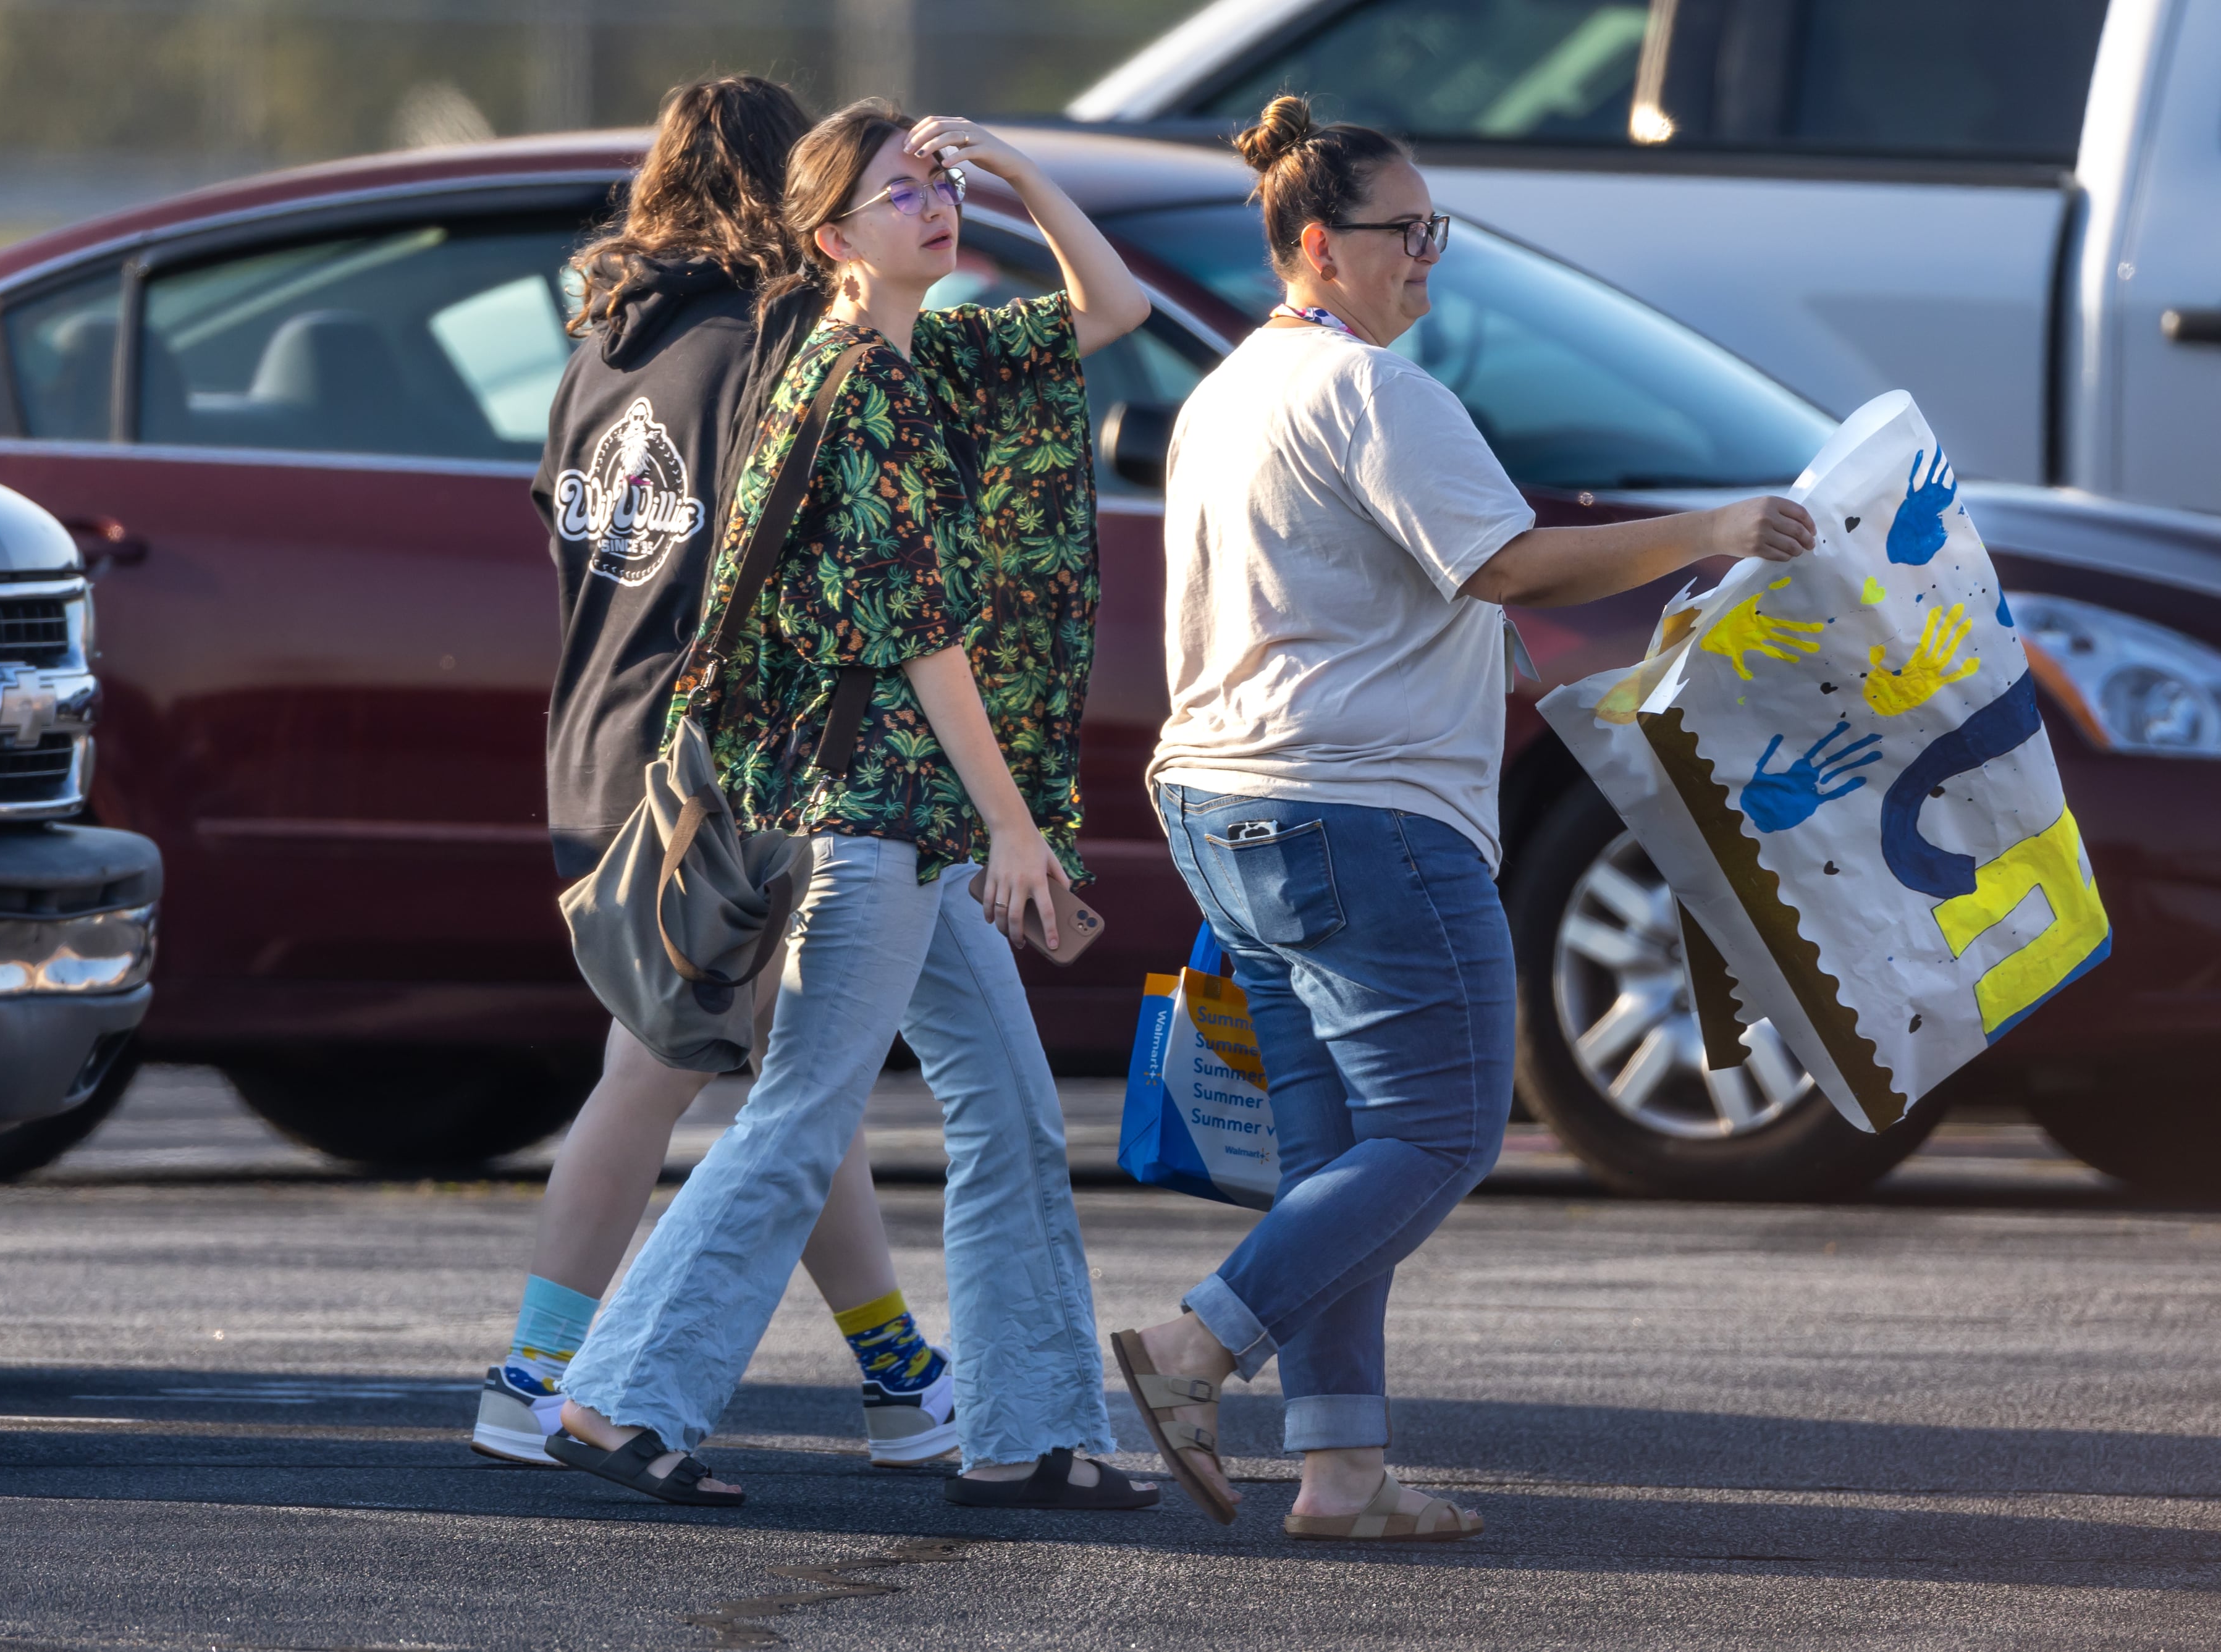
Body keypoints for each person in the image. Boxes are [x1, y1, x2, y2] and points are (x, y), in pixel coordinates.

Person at [1114, 95, 1817, 1541]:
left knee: (1334, 1159)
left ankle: (1341, 1471)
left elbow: (1367, 590)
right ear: (1320, 245)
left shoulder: (1230, 389)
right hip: (1359, 812)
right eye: (1406, 231)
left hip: (1225, 803)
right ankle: (1194, 1349)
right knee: (1440, 1134)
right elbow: (1505, 564)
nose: (1430, 256)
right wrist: (1713, 527)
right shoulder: (1375, 392)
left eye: (1439, 228)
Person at [546, 100, 1159, 1511]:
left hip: (911, 818)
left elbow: (1109, 305)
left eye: (941, 192)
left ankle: (1026, 1431)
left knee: (1006, 1105)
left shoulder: (923, 354)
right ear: (832, 237)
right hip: (861, 812)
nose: (936, 213)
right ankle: (619, 1393)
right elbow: (924, 635)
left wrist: (1013, 170)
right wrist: (1016, 825)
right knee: (807, 1108)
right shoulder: (849, 383)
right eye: (906, 196)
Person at [472, 76, 952, 1475]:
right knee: (667, 1067)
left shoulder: (603, 347)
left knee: (789, 1079)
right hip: (713, 769)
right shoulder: (779, 336)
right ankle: (533, 1375)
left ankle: (897, 1375)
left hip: (596, 752)